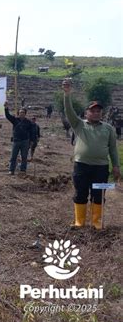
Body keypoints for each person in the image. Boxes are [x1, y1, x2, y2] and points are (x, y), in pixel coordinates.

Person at [63, 79, 120, 229]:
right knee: (81, 193)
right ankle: (79, 221)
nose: (96, 113)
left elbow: (113, 149)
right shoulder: (79, 125)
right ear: (87, 113)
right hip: (81, 166)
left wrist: (116, 166)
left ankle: (96, 222)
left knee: (99, 194)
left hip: (101, 168)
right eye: (92, 111)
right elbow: (69, 112)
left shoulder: (108, 129)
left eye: (98, 111)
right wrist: (67, 94)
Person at [4, 101, 33, 175]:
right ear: (18, 113)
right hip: (16, 141)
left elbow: (32, 132)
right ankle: (11, 170)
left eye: (23, 112)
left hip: (25, 141)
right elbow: (8, 116)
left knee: (24, 157)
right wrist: (6, 108)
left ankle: (23, 170)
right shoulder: (15, 120)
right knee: (13, 156)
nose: (21, 113)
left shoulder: (28, 122)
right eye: (20, 112)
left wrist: (32, 141)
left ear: (25, 114)